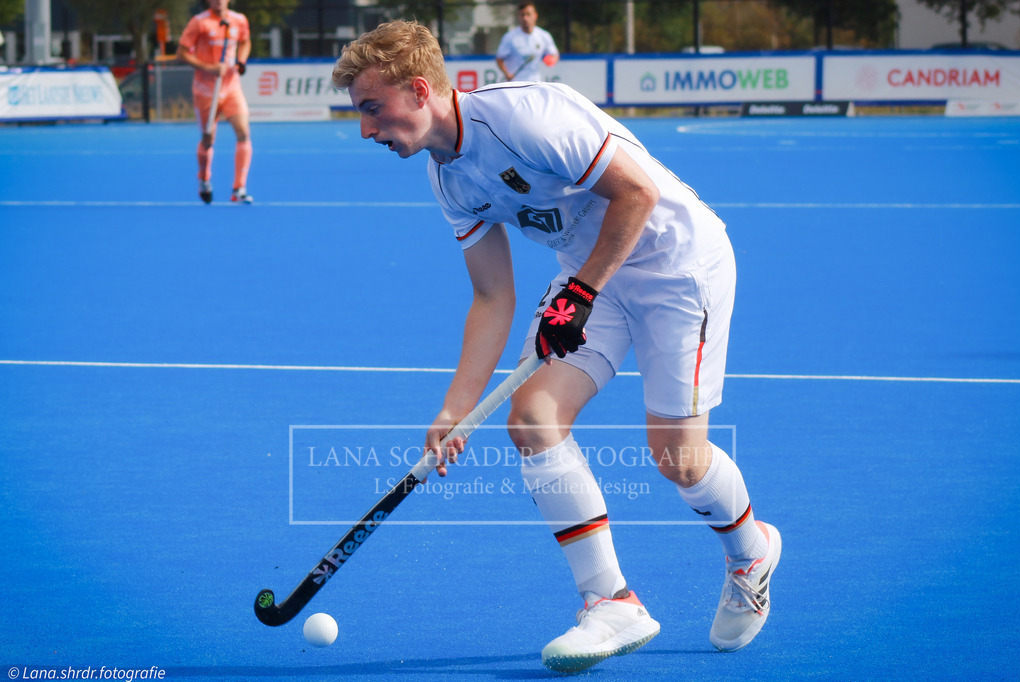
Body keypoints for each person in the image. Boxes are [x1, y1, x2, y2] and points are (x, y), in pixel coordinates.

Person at [332, 20, 780, 674]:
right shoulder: (448, 179)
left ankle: (750, 551)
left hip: (676, 266)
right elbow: (492, 296)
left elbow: (638, 193)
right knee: (531, 418)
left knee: (678, 459)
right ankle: (611, 602)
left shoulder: (526, 115)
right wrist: (456, 408)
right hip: (590, 277)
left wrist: (580, 294)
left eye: (372, 108)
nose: (366, 129)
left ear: (419, 90)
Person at [177, 0, 254, 204]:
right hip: (205, 90)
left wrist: (241, 61)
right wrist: (208, 67)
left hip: (231, 88)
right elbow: (181, 53)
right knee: (208, 139)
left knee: (243, 133)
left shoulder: (239, 20)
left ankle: (239, 188)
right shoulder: (199, 22)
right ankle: (204, 178)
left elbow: (245, 42)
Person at [495, 1, 559, 82]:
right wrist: (507, 74)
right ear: (519, 17)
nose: (525, 18)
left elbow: (554, 54)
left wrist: (552, 59)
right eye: (522, 15)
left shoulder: (543, 36)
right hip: (516, 84)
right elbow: (499, 59)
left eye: (528, 14)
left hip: (535, 83)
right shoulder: (510, 37)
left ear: (535, 16)